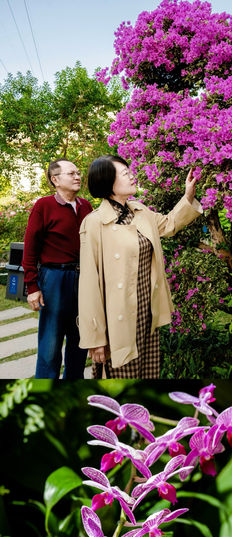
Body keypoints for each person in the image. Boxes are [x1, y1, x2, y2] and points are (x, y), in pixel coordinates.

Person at [78, 155, 202, 378]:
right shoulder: (94, 223)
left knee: (148, 373)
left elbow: (169, 224)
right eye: (125, 173)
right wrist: (95, 338)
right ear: (108, 181)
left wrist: (188, 196)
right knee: (122, 377)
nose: (132, 175)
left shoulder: (140, 211)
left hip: (147, 311)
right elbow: (88, 284)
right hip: (118, 318)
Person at [22, 159, 93, 378]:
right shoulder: (44, 206)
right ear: (55, 179)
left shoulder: (86, 207)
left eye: (78, 172)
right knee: (50, 344)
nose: (77, 176)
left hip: (83, 278)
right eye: (71, 173)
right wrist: (32, 286)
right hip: (54, 278)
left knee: (80, 340)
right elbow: (30, 247)